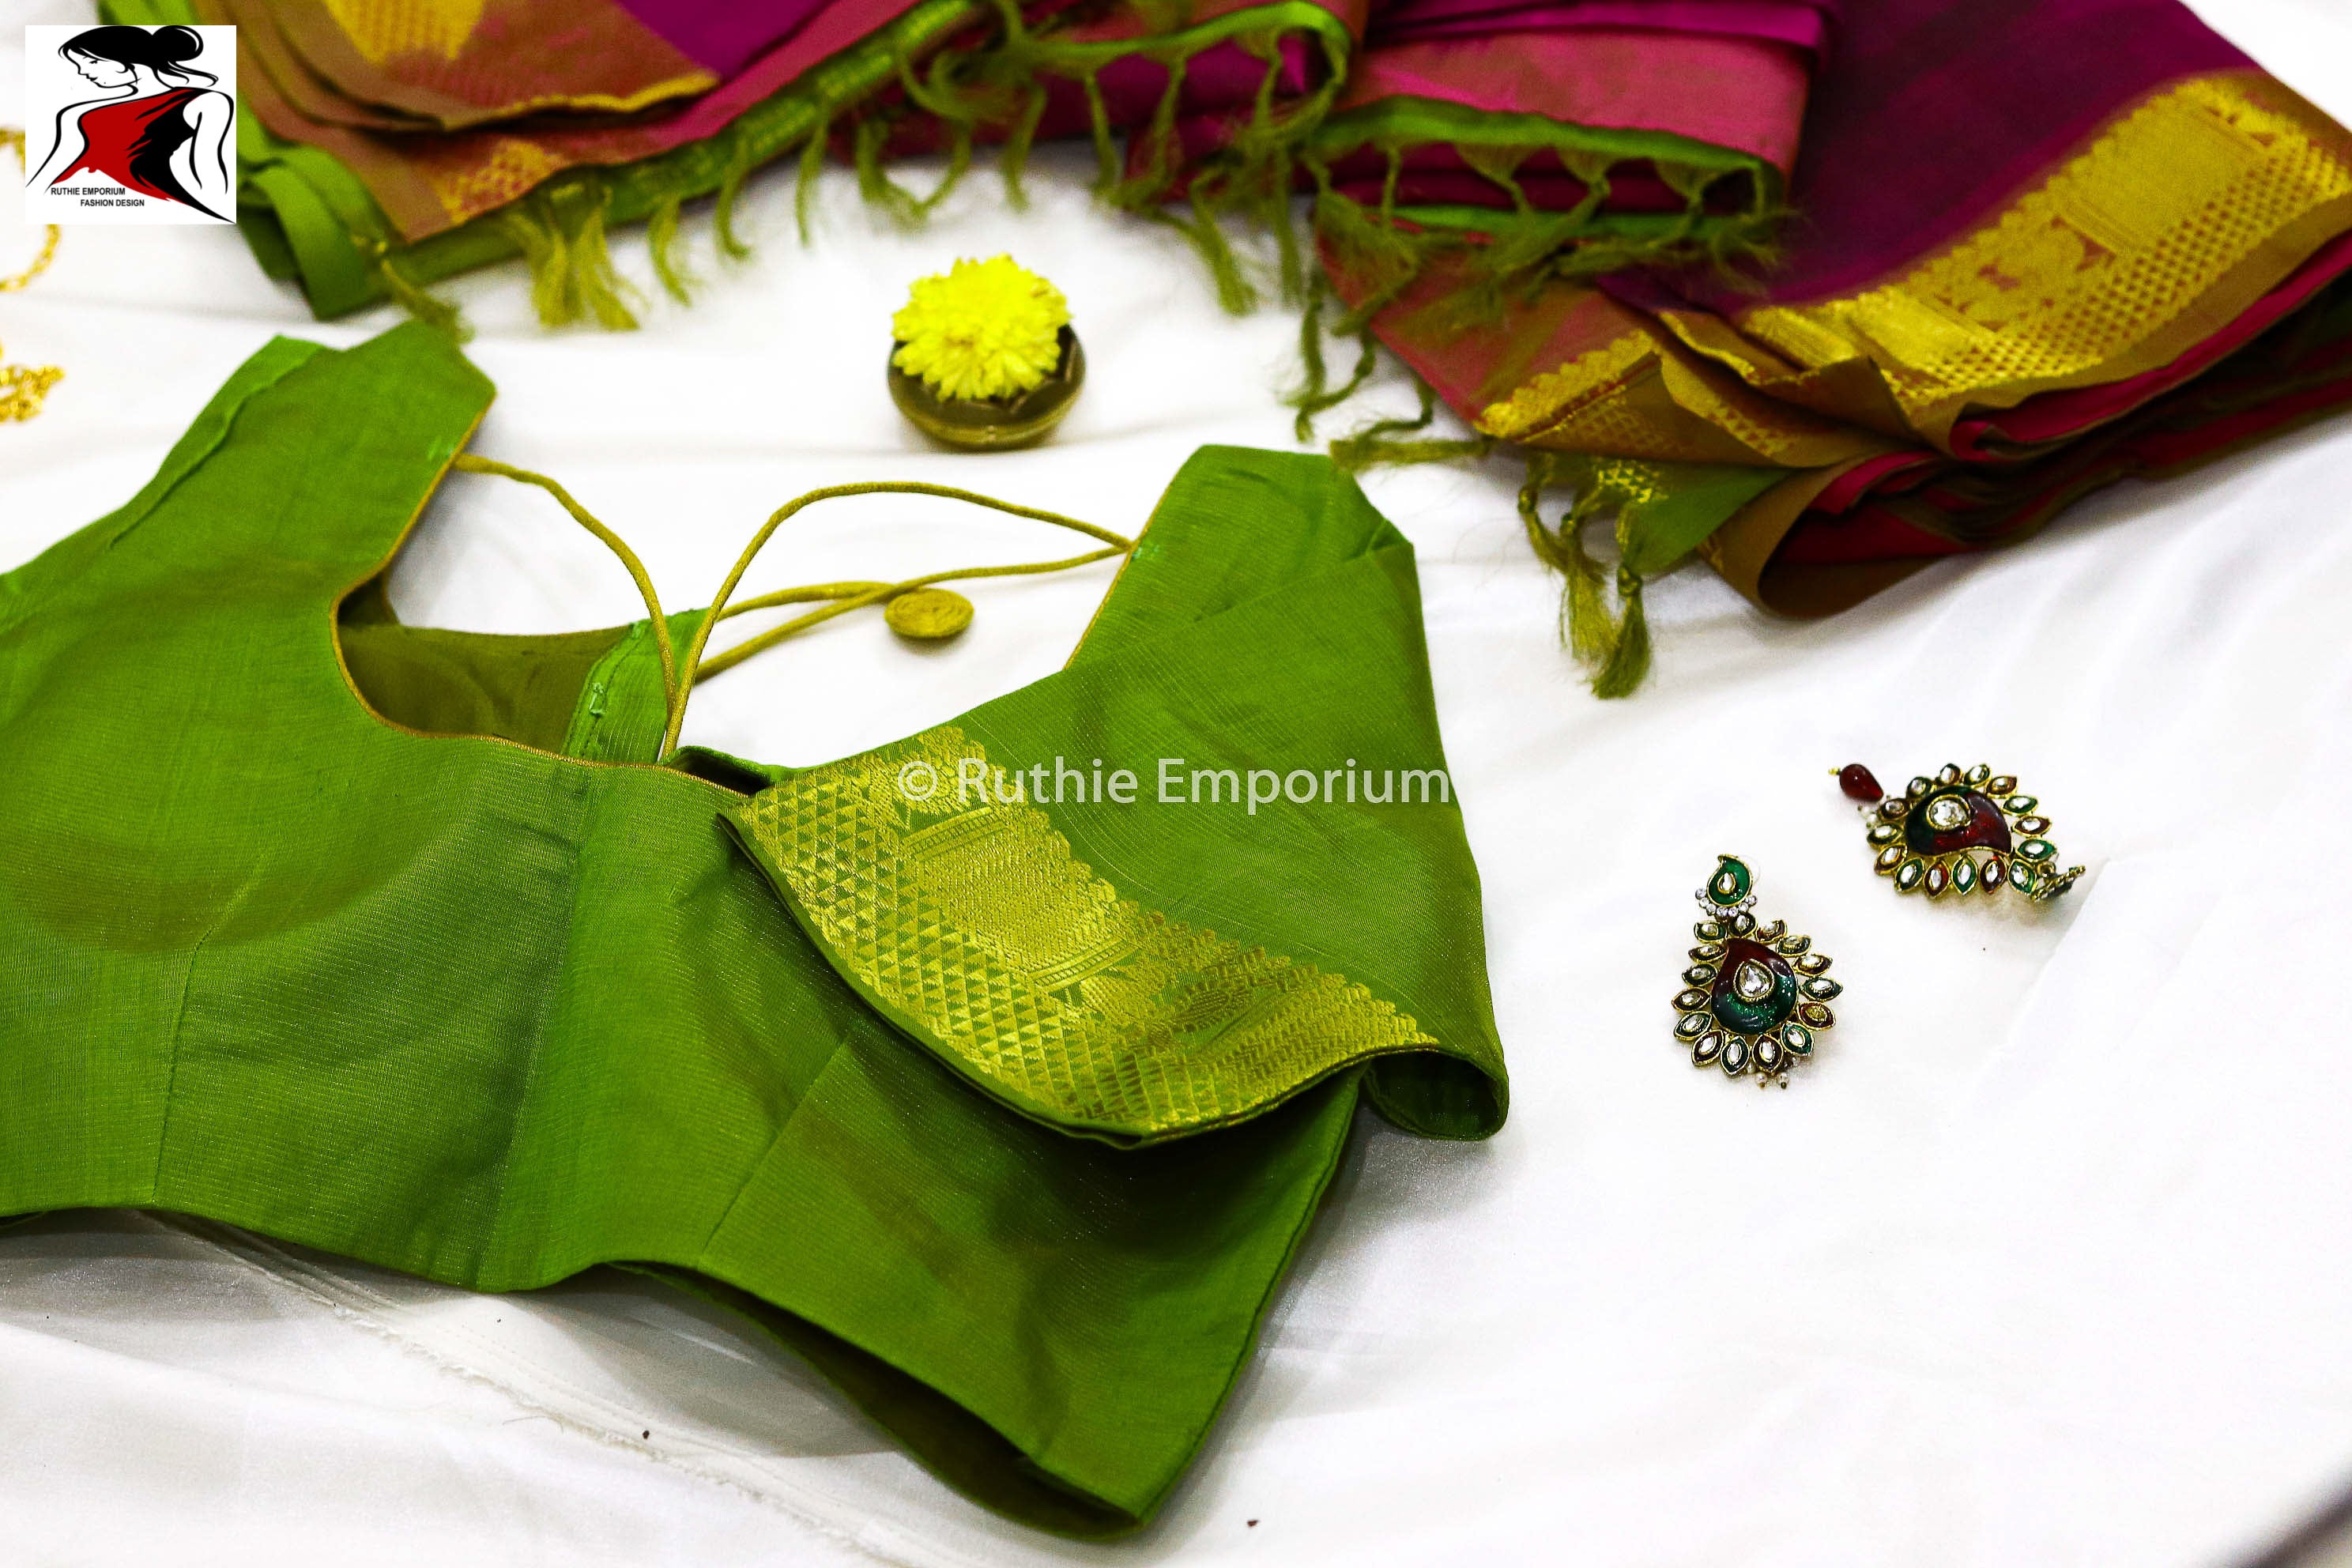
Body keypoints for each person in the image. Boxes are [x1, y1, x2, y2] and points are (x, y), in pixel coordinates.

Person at [34, 24, 232, 221]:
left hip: (151, 200)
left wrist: (218, 214)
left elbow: (208, 166)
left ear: (122, 59)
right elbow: (53, 166)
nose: (82, 72)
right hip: (71, 200)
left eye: (91, 62)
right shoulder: (76, 112)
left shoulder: (205, 101)